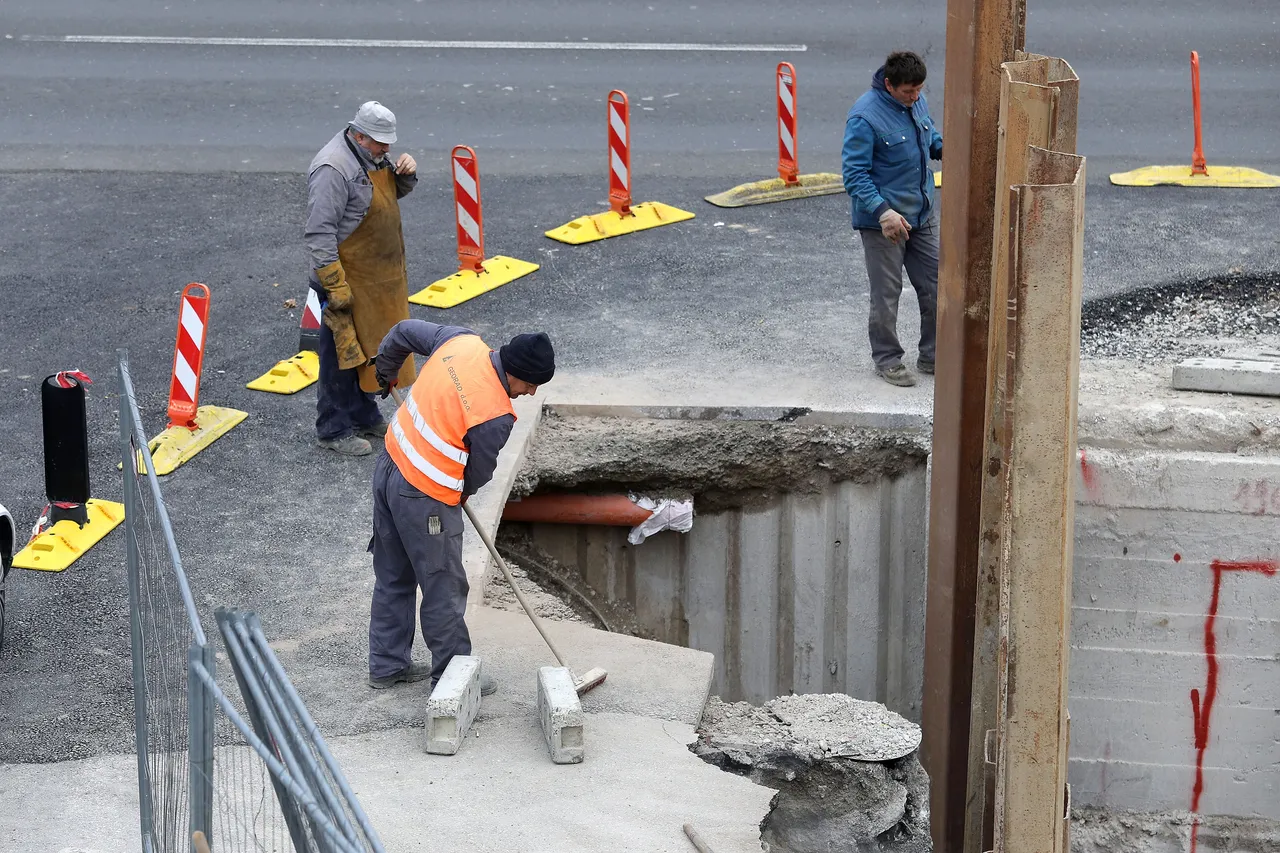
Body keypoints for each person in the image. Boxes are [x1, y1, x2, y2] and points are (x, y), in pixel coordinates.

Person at [365, 319, 556, 692]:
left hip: (390, 464)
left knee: (393, 575)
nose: (531, 393)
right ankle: (454, 680)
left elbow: (402, 330)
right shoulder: (495, 414)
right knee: (444, 588)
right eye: (531, 385)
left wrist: (385, 372)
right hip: (424, 497)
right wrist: (455, 496)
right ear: (517, 374)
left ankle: (386, 667)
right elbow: (478, 474)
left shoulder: (461, 342)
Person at [305, 101, 419, 455]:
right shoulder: (333, 168)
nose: (387, 149)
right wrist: (335, 285)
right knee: (341, 356)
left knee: (371, 351)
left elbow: (382, 196)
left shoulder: (371, 156)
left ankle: (363, 412)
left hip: (376, 279)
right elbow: (319, 232)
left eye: (388, 143)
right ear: (358, 134)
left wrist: (406, 175)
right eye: (381, 143)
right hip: (345, 278)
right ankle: (333, 429)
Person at [842, 51, 943, 388]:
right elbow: (854, 175)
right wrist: (883, 212)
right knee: (887, 294)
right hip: (884, 222)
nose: (915, 97)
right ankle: (887, 359)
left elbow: (929, 139)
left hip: (921, 213)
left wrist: (946, 146)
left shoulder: (917, 100)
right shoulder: (865, 117)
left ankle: (932, 355)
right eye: (908, 92)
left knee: (936, 287)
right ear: (889, 84)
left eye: (919, 90)